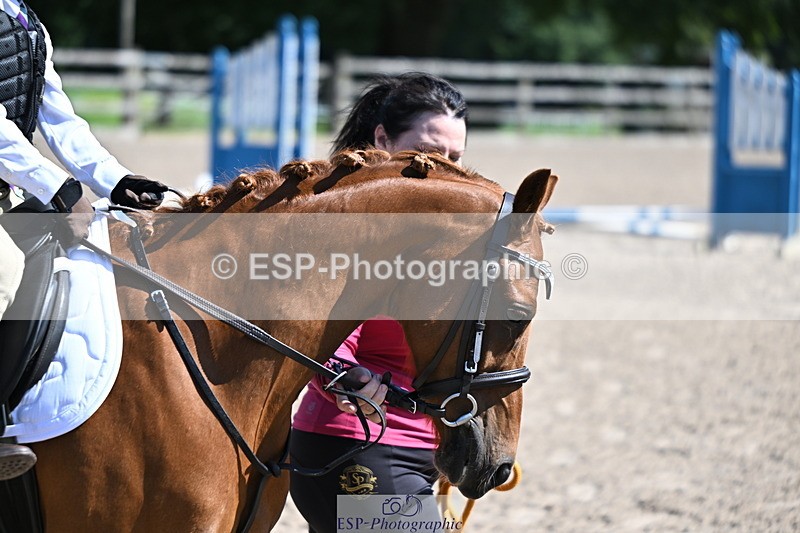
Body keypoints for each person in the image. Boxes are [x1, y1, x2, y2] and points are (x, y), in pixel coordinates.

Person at [289, 73, 468, 533]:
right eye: (428, 153)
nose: (444, 170)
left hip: (421, 451)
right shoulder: (350, 228)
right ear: (383, 140)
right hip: (356, 443)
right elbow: (322, 333)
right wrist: (343, 377)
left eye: (455, 158)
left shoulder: (437, 233)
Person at [0, 0, 168, 481]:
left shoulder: (25, 20)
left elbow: (59, 120)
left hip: (9, 190)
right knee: (5, 269)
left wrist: (115, 180)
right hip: (13, 185)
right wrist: (60, 188)